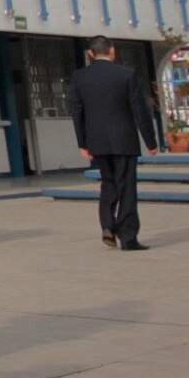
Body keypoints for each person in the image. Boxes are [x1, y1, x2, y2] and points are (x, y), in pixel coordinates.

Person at [70, 35, 155, 251]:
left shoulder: (79, 77)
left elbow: (77, 112)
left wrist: (82, 143)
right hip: (123, 140)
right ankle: (128, 237)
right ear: (112, 51)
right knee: (126, 186)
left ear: (91, 53)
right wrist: (151, 141)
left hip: (97, 141)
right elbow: (140, 110)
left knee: (108, 183)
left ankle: (107, 225)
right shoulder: (126, 74)